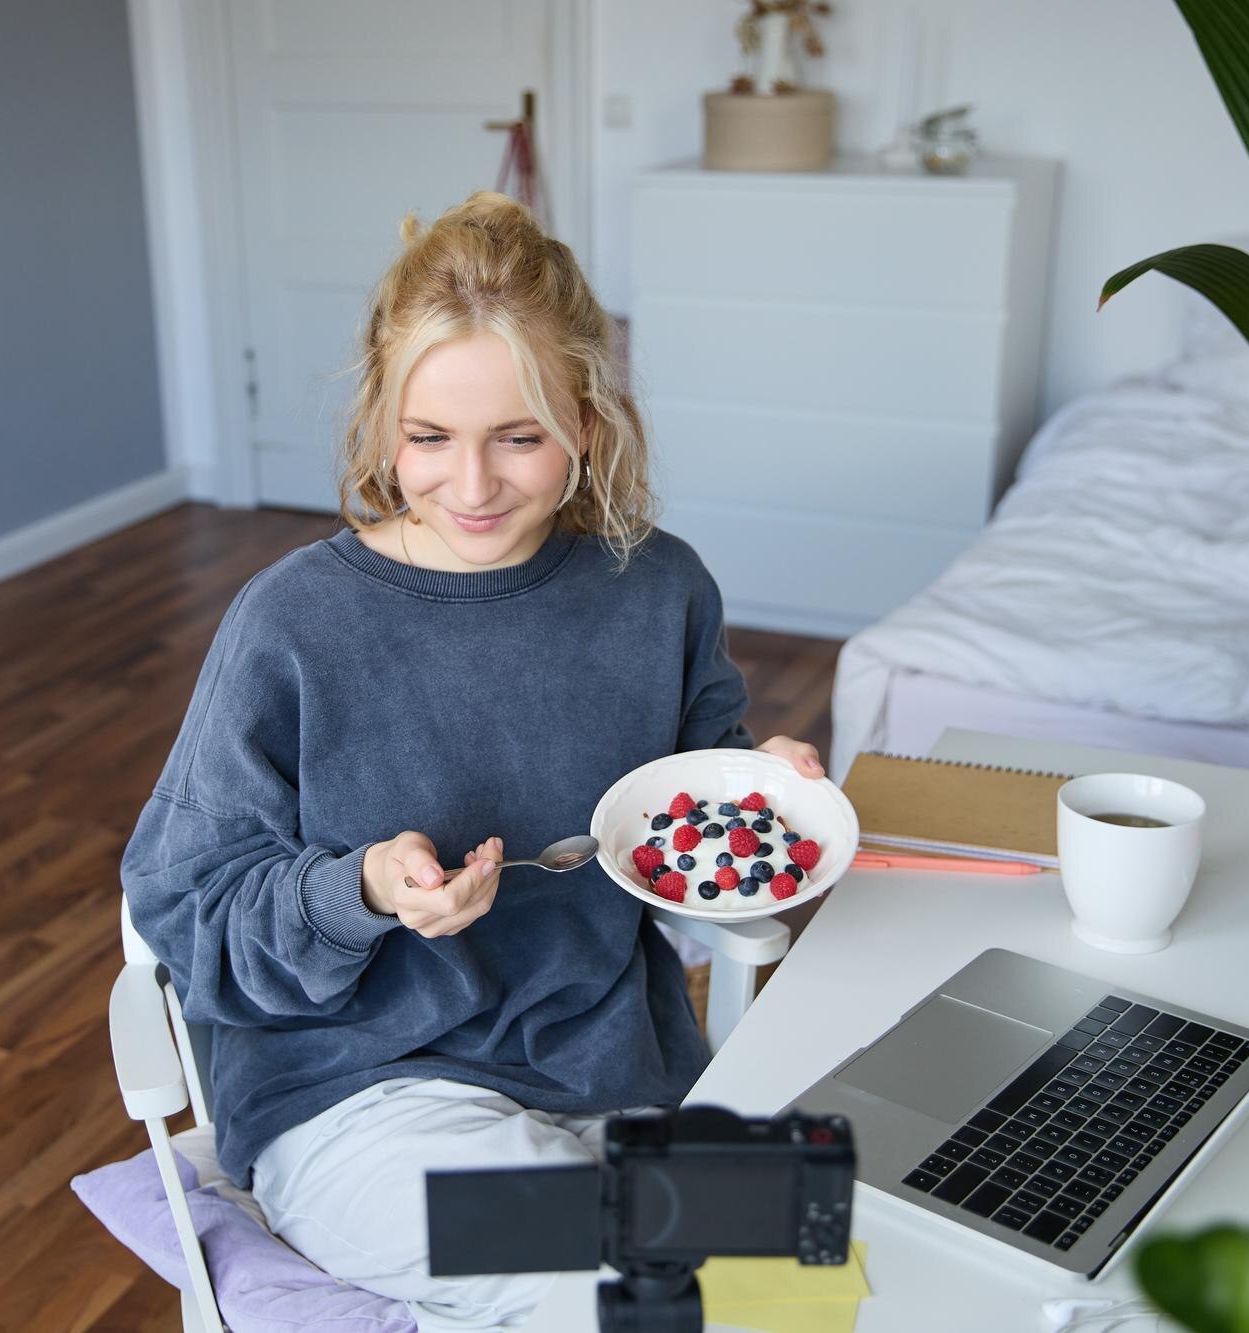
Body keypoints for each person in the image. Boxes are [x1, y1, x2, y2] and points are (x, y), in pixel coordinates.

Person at [120, 189, 824, 1331]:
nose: (474, 484)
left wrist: (763, 796)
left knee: (819, 1261)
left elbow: (692, 817)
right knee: (658, 1286)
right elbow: (185, 910)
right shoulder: (291, 622)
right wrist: (355, 891)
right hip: (357, 1102)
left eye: (520, 436)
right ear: (379, 426)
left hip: (612, 1076)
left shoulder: (658, 588)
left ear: (586, 419)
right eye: (429, 439)